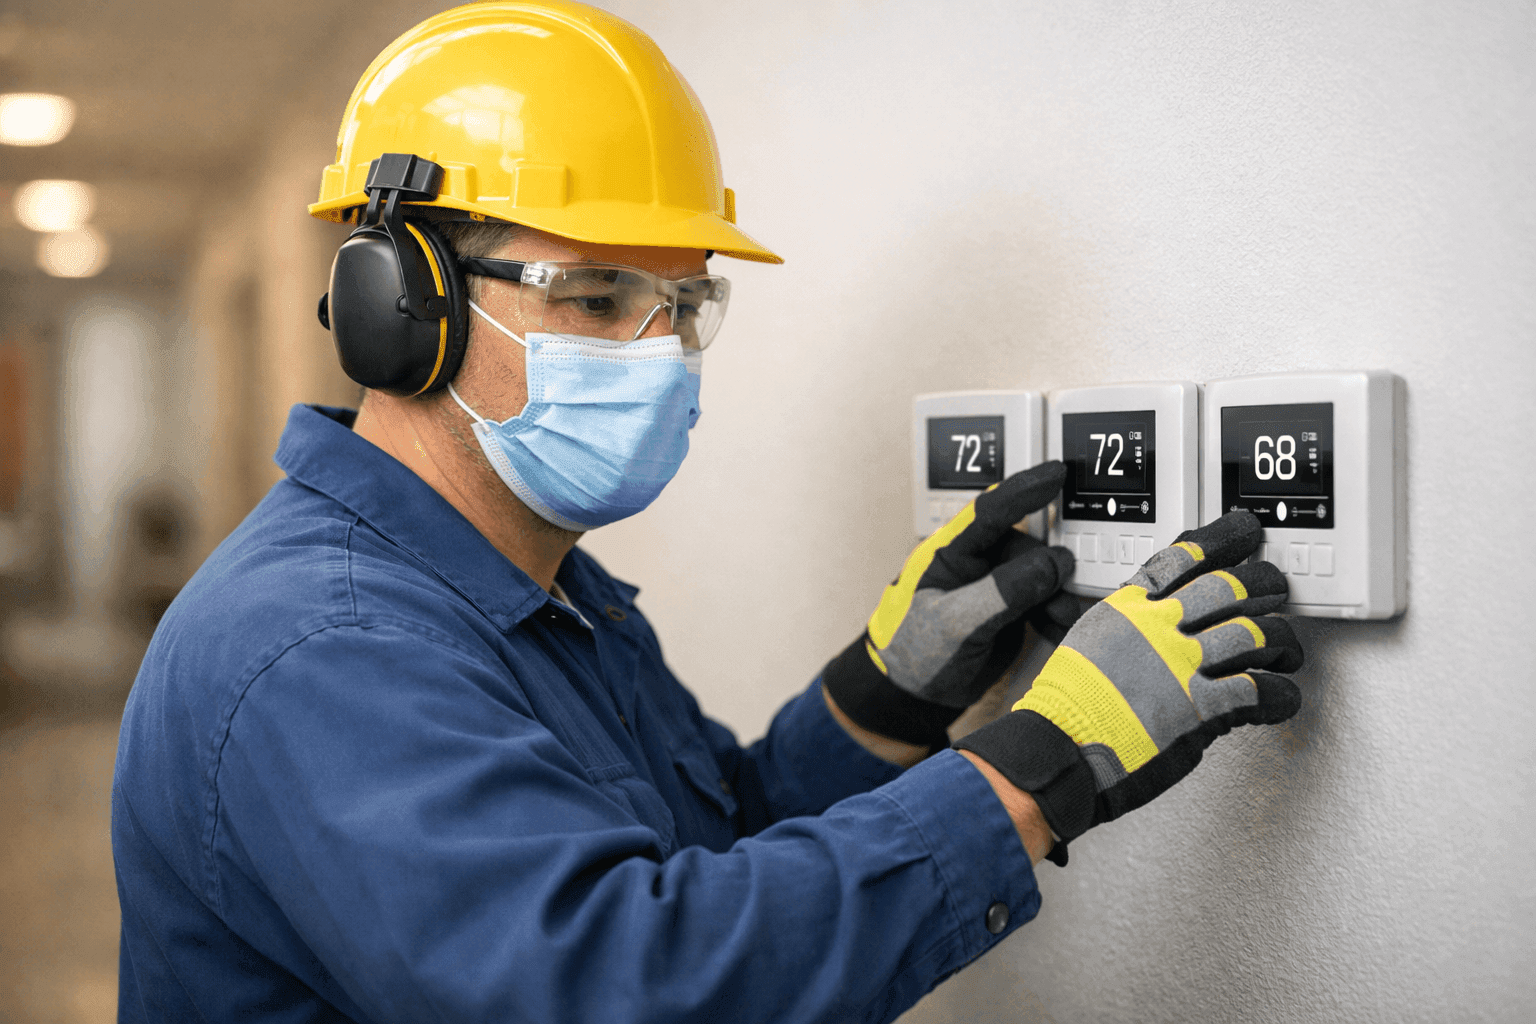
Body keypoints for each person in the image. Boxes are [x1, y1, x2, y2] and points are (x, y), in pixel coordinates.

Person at [111, 4, 1307, 1022]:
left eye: (684, 302)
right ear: (397, 306)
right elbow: (622, 977)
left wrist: (884, 691)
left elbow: (698, 851)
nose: (661, 351)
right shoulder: (321, 649)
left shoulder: (530, 583)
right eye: (595, 295)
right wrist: (1038, 767)